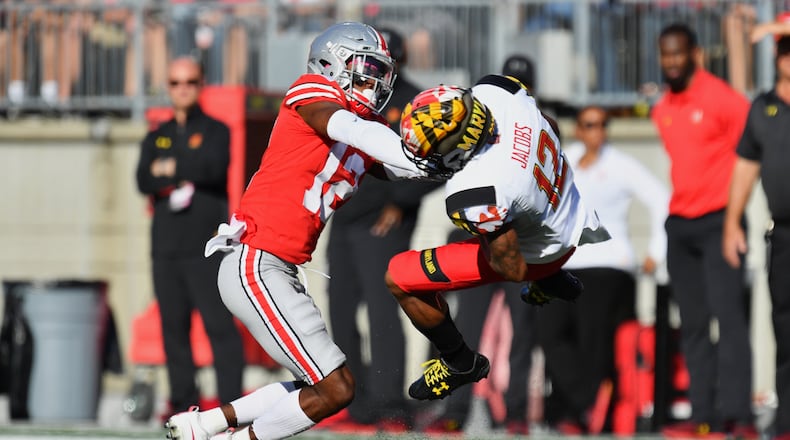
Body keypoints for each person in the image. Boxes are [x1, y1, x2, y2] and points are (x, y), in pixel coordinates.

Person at [164, 22, 429, 440]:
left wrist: (453, 155)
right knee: (335, 388)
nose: (375, 82)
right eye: (366, 69)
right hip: (255, 261)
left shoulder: (361, 129)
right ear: (331, 63)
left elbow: (406, 168)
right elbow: (352, 130)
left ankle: (206, 423)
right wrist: (408, 146)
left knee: (328, 383)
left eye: (380, 73)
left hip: (280, 268)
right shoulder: (313, 91)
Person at [383, 76, 610, 410]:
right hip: (573, 211)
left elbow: (513, 269)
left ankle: (459, 361)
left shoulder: (474, 190)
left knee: (399, 276)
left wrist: (519, 231)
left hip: (540, 255)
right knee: (515, 212)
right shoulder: (496, 92)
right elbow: (550, 126)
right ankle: (552, 279)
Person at [322, 25, 437, 431]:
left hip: (383, 225)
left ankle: (390, 404)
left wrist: (399, 202)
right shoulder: (351, 97)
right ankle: (353, 403)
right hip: (344, 217)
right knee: (338, 309)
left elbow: (435, 162)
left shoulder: (415, 101)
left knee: (381, 311)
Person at [420, 54, 540, 436]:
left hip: (521, 237)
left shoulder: (537, 125)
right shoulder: (477, 119)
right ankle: (456, 410)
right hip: (480, 233)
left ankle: (516, 413)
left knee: (522, 330)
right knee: (466, 326)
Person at [651, 23, 756, 438]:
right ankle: (703, 418)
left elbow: (750, 155)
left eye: (678, 53)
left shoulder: (722, 99)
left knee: (729, 320)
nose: (672, 61)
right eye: (665, 54)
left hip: (720, 223)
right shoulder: (663, 107)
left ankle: (740, 417)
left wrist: (736, 217)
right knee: (693, 324)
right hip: (681, 226)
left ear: (695, 53)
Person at [537, 105, 669, 434]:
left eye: (603, 124)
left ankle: (586, 413)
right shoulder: (566, 162)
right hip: (566, 263)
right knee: (549, 333)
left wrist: (655, 252)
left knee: (592, 339)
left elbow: (661, 200)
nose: (598, 131)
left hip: (608, 264)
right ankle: (585, 402)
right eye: (590, 124)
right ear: (579, 129)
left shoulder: (620, 164)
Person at [135, 56, 245, 420]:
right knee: (173, 330)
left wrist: (170, 166)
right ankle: (183, 404)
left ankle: (232, 405)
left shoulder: (216, 130)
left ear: (201, 85)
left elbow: (213, 167)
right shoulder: (157, 134)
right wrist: (182, 166)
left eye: (190, 82)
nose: (182, 89)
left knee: (219, 326)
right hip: (166, 247)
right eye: (175, 83)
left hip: (205, 246)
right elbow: (143, 179)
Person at [723, 32, 790, 440]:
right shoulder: (763, 108)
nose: (788, 56)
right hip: (782, 235)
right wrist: (733, 221)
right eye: (783, 48)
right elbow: (746, 166)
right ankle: (786, 423)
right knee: (785, 328)